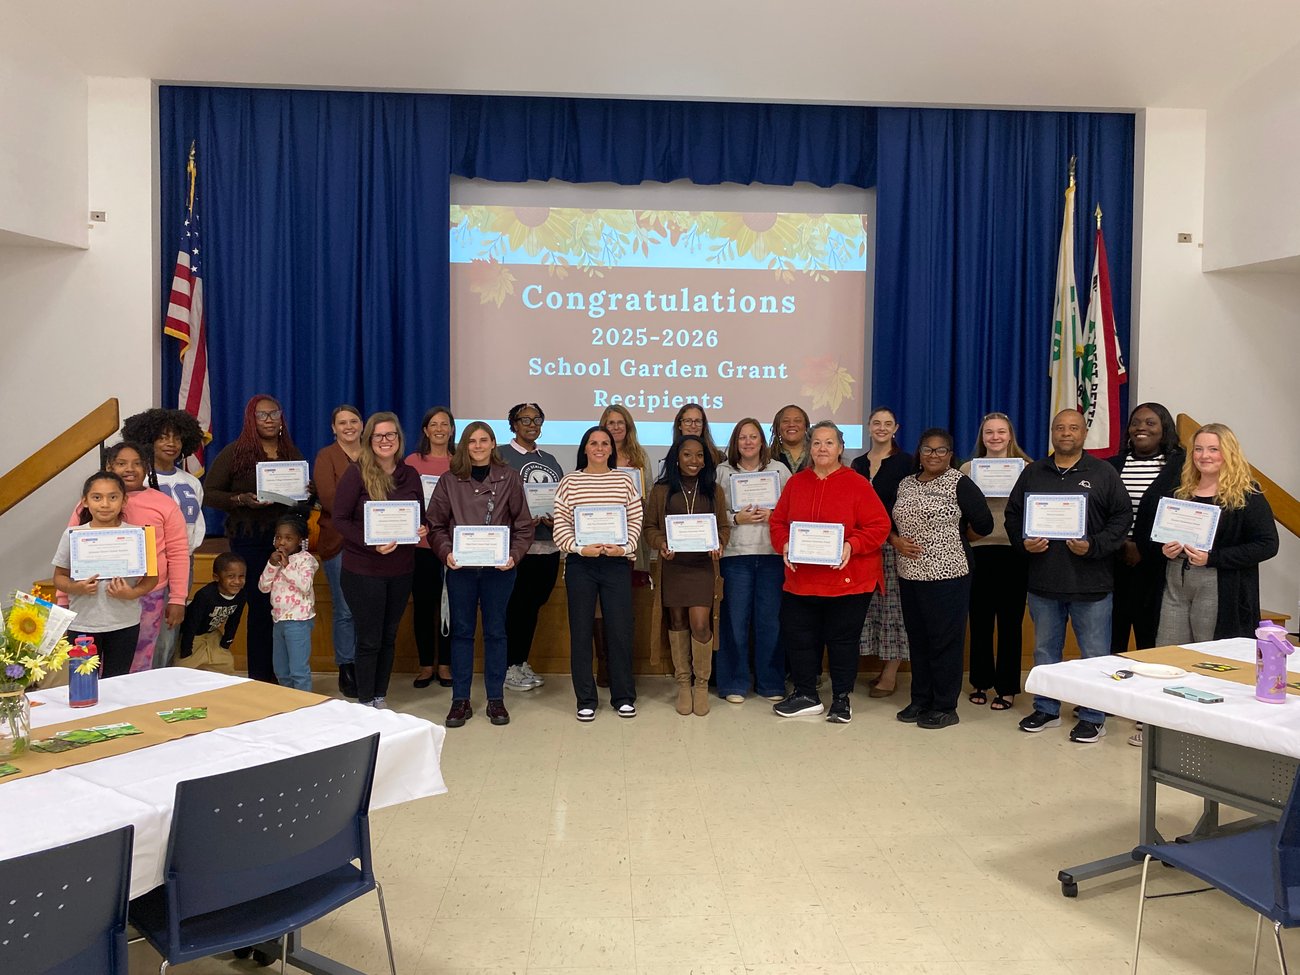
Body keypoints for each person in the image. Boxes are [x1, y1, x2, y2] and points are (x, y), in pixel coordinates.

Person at [1005, 409, 1132, 743]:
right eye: (1059, 428)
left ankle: (1093, 716)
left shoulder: (1103, 473)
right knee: (1046, 653)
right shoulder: (1034, 472)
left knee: (1094, 656)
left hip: (1092, 585)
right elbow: (1013, 515)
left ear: (1084, 434)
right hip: (1044, 583)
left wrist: (1094, 546)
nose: (1065, 433)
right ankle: (1046, 709)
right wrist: (1023, 542)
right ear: (1052, 432)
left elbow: (1122, 518)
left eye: (1073, 428)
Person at [770, 421, 891, 723]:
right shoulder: (796, 483)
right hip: (802, 580)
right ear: (809, 448)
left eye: (829, 443)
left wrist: (852, 544)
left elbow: (879, 526)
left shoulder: (857, 484)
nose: (822, 448)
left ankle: (841, 700)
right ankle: (806, 695)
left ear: (840, 448)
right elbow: (778, 522)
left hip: (847, 582)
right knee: (799, 637)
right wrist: (784, 543)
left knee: (842, 642)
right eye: (816, 443)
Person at [428, 421, 534, 727]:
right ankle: (460, 700)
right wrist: (447, 552)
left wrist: (513, 556)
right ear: (464, 445)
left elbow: (523, 525)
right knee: (462, 633)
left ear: (492, 444)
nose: (478, 446)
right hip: (460, 569)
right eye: (472, 441)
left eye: (483, 440)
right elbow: (435, 524)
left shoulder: (509, 477)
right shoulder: (449, 480)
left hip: (498, 571)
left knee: (496, 632)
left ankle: (496, 700)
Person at [1141, 423, 1279, 647]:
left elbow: (1267, 544)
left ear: (1229, 453)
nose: (1204, 456)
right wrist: (1164, 549)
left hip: (1218, 584)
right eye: (1198, 449)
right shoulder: (1179, 491)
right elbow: (1157, 536)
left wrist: (1213, 558)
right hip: (1175, 580)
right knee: (1169, 650)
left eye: (1213, 449)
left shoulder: (1247, 495)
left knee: (1210, 651)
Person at [892, 429, 993, 729]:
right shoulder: (906, 484)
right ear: (919, 452)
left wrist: (955, 540)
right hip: (910, 574)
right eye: (927, 449)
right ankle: (921, 699)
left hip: (948, 575)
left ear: (950, 454)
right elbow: (890, 521)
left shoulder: (959, 482)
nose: (933, 455)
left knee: (944, 642)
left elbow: (984, 524)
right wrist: (896, 541)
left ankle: (945, 706)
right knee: (919, 640)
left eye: (940, 450)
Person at [65, 442, 191, 675]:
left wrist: (178, 599)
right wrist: (63, 600)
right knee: (90, 666)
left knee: (138, 662)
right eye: (121, 463)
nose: (129, 469)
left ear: (147, 467)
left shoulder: (164, 504)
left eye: (137, 463)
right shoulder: (89, 504)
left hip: (148, 596)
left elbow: (178, 553)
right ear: (109, 466)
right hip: (93, 599)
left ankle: (129, 698)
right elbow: (69, 556)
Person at [205, 395, 305, 683]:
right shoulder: (235, 452)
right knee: (261, 608)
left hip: (285, 541)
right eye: (262, 415)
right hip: (250, 540)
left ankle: (283, 674)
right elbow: (209, 493)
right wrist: (241, 499)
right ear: (252, 419)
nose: (269, 419)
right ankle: (261, 678)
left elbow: (300, 502)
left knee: (283, 608)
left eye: (274, 413)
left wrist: (307, 491)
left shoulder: (290, 452)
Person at [333, 412, 427, 708]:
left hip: (401, 569)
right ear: (369, 440)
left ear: (399, 439)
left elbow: (420, 515)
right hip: (363, 570)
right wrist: (370, 543)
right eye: (379, 436)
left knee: (388, 636)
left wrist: (421, 528)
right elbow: (340, 519)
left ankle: (379, 696)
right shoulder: (356, 473)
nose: (385, 440)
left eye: (391, 435)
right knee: (370, 638)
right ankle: (364, 701)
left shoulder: (410, 474)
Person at [552, 426, 643, 722]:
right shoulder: (570, 482)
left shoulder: (623, 481)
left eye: (605, 443)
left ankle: (623, 696)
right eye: (594, 443)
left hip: (616, 563)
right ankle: (586, 699)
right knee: (580, 631)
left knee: (619, 630)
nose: (600, 448)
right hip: (581, 564)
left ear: (611, 449)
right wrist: (579, 548)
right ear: (585, 448)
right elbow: (561, 524)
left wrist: (624, 547)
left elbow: (635, 519)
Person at [646, 435, 730, 716]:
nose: (694, 460)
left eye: (699, 455)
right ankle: (684, 683)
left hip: (703, 568)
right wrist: (661, 543)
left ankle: (701, 684)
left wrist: (719, 543)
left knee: (701, 624)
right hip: (673, 567)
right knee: (678, 621)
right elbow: (650, 528)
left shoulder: (714, 490)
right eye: (687, 455)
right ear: (676, 458)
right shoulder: (661, 490)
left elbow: (723, 528)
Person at [960, 412, 1033, 711]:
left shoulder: (1027, 468)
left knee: (1010, 623)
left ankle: (1007, 687)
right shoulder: (967, 469)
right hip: (979, 550)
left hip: (1014, 552)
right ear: (982, 436)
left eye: (1001, 431)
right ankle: (980, 681)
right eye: (989, 432)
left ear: (1010, 435)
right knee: (979, 621)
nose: (995, 437)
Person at [52, 471, 157, 677]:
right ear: (85, 501)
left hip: (125, 623)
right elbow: (59, 577)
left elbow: (152, 578)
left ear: (124, 500)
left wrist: (132, 593)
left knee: (117, 681)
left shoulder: (139, 535)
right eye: (97, 497)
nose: (105, 504)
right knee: (83, 682)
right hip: (83, 624)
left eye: (113, 497)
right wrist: (76, 587)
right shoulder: (73, 535)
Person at [716, 418, 791, 703]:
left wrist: (774, 515)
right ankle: (734, 684)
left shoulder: (779, 470)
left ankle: (770, 683)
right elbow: (714, 514)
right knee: (734, 622)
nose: (748, 442)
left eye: (753, 437)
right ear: (735, 442)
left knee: (770, 622)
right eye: (742, 437)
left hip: (771, 556)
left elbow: (792, 510)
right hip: (735, 557)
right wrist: (736, 518)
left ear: (762, 441)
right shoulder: (722, 472)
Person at [1109, 403, 1185, 653]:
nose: (1141, 428)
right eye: (1136, 423)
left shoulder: (1181, 467)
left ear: (1164, 429)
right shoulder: (1111, 466)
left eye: (1150, 423)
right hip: (1114, 563)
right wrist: (1122, 545)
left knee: (1151, 639)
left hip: (1158, 566)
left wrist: (1143, 548)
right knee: (1113, 638)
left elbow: (1183, 515)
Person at [850, 406, 913, 696]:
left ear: (896, 429)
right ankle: (865, 667)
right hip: (862, 546)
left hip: (894, 546)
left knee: (893, 609)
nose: (882, 428)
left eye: (888, 423)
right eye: (876, 423)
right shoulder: (857, 463)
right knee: (866, 608)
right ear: (868, 427)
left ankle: (889, 675)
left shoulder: (907, 463)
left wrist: (892, 537)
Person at [503, 403, 564, 693]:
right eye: (524, 419)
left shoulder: (549, 460)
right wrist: (521, 518)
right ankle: (508, 666)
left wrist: (556, 518)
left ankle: (520, 660)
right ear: (513, 424)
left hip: (548, 545)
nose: (531, 424)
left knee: (533, 606)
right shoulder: (501, 455)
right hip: (518, 547)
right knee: (515, 607)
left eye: (537, 419)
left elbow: (561, 499)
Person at [596, 403, 653, 685]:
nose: (616, 427)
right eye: (611, 422)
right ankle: (604, 663)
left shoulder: (640, 458)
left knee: (624, 606)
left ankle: (623, 666)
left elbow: (648, 497)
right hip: (598, 540)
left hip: (629, 541)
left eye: (621, 422)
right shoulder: (595, 455)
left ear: (628, 426)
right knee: (599, 606)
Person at [314, 404, 363, 697]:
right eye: (342, 422)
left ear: (362, 424)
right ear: (334, 428)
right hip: (339, 541)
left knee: (367, 608)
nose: (348, 427)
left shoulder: (373, 453)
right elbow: (330, 500)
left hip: (373, 543)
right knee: (345, 608)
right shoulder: (326, 456)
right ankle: (347, 666)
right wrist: (367, 514)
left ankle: (365, 663)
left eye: (353, 421)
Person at [405, 406, 456, 689]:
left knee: (451, 606)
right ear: (425, 430)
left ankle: (445, 664)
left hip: (453, 547)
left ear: (452, 429)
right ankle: (426, 665)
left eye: (444, 424)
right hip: (421, 545)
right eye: (433, 424)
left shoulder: (461, 461)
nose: (439, 429)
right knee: (424, 607)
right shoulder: (412, 462)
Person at [257, 512, 317, 692]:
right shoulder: (275, 560)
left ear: (300, 540)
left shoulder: (306, 560)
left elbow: (305, 585)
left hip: (298, 621)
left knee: (298, 671)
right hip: (278, 620)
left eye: (288, 538)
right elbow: (263, 587)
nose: (282, 542)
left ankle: (303, 703)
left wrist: (286, 566)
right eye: (278, 537)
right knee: (281, 670)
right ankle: (289, 701)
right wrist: (271, 565)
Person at [177, 552, 247, 674]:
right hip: (191, 637)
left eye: (241, 576)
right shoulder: (205, 596)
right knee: (181, 670)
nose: (237, 581)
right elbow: (191, 624)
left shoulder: (241, 595)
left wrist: (225, 643)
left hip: (212, 635)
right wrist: (186, 651)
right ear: (216, 577)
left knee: (227, 665)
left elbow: (234, 620)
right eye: (231, 576)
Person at [769, 404, 811, 473]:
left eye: (797, 421)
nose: (791, 424)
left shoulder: (816, 454)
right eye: (786, 421)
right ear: (778, 428)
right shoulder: (766, 457)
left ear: (806, 427)